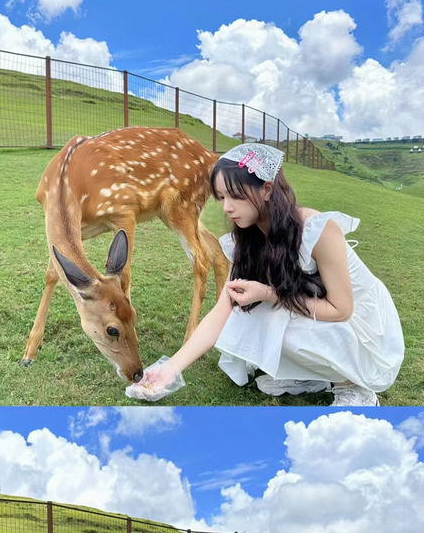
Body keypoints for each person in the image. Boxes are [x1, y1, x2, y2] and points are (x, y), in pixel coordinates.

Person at [132, 143, 404, 406]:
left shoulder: (317, 230)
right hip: (313, 304)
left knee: (280, 328)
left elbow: (341, 310)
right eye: (222, 197)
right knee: (243, 316)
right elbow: (221, 312)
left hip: (360, 323)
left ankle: (353, 386)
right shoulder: (247, 240)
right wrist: (169, 370)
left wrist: (268, 294)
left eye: (236, 195)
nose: (226, 207)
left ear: (267, 190)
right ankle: (309, 376)